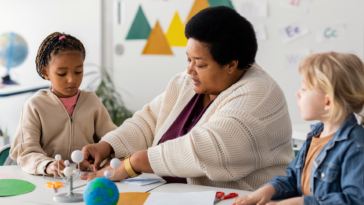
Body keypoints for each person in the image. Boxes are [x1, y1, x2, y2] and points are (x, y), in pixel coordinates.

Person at [80, 6, 293, 191]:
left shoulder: (259, 97)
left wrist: (133, 163)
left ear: (231, 65)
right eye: (188, 59)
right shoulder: (188, 82)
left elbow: (208, 148)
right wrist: (108, 145)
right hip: (171, 194)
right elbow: (149, 121)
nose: (189, 70)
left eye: (199, 64)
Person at [232, 52, 364, 205]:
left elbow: (355, 200)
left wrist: (299, 202)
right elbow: (294, 177)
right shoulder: (316, 135)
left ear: (328, 102)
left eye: (305, 89)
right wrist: (268, 189)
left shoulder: (356, 146)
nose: (297, 93)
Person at [10, 32, 117, 176]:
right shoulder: (35, 105)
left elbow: (113, 140)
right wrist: (47, 165)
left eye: (78, 71)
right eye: (62, 73)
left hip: (86, 178)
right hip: (49, 179)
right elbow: (26, 151)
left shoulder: (92, 102)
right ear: (45, 72)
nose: (72, 79)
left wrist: (103, 156)